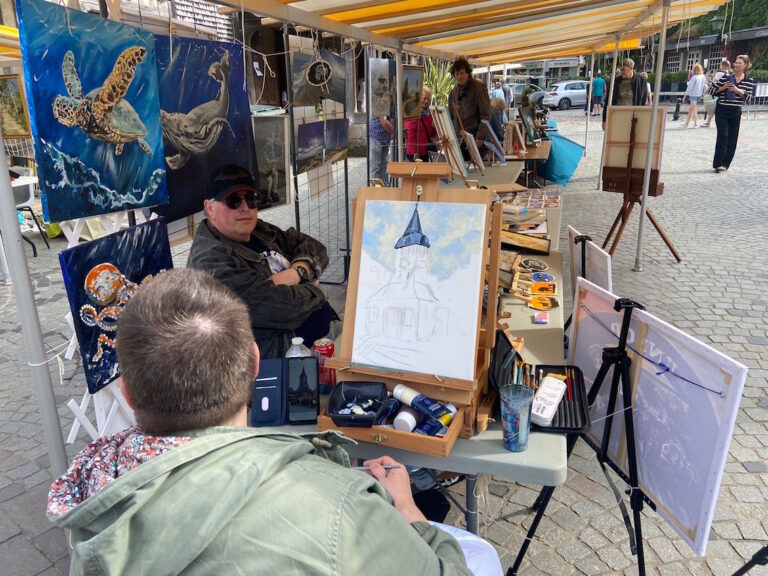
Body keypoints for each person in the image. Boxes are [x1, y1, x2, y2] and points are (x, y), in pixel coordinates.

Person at [47, 268, 482, 575]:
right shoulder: (337, 504)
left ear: (126, 394)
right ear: (257, 366)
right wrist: (407, 509)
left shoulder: (90, 511)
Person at [187, 164, 335, 358]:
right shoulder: (210, 262)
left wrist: (295, 273)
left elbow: (316, 247)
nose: (245, 208)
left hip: (318, 346)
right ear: (210, 208)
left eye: (251, 199)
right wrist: (317, 289)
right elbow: (281, 308)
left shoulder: (259, 230)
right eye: (233, 201)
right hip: (275, 368)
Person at [710, 54, 755, 173]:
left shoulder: (748, 80)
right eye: (736, 62)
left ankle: (725, 164)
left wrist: (737, 90)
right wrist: (723, 87)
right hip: (722, 110)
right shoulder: (726, 77)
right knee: (723, 135)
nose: (737, 64)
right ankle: (718, 163)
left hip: (735, 111)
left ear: (746, 65)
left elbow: (749, 98)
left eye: (740, 63)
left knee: (732, 138)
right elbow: (711, 91)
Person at [448, 57, 491, 159]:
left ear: (468, 73)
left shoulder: (478, 88)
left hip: (474, 140)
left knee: (475, 172)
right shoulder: (453, 92)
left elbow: (485, 115)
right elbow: (450, 116)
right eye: (457, 74)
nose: (459, 76)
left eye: (462, 73)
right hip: (458, 142)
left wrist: (479, 138)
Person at [601, 58, 649, 130]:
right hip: (618, 115)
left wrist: (642, 117)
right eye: (620, 69)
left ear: (631, 68)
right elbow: (608, 100)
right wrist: (604, 120)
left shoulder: (641, 80)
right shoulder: (616, 81)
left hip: (634, 115)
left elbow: (643, 99)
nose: (621, 72)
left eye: (623, 69)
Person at [404, 86, 438, 162]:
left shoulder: (429, 113)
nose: (426, 101)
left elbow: (431, 135)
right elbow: (410, 133)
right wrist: (414, 152)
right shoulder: (413, 112)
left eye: (428, 99)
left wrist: (434, 127)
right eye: (424, 98)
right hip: (416, 152)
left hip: (425, 151)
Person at [703, 59, 731, 127]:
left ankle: (708, 122)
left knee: (712, 106)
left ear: (723, 66)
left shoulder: (719, 73)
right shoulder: (729, 74)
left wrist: (709, 82)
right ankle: (709, 122)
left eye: (721, 65)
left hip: (717, 92)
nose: (720, 66)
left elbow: (714, 83)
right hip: (725, 94)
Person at [369, 114, 393, 184]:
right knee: (376, 167)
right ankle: (375, 191)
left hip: (384, 138)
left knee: (383, 167)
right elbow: (384, 122)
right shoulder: (381, 105)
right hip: (376, 136)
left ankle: (384, 189)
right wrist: (396, 132)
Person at [682, 64, 707, 128]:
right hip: (699, 94)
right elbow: (705, 86)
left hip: (693, 95)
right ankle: (686, 123)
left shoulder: (694, 77)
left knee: (694, 110)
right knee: (691, 109)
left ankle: (696, 124)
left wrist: (685, 96)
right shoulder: (703, 76)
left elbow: (689, 88)